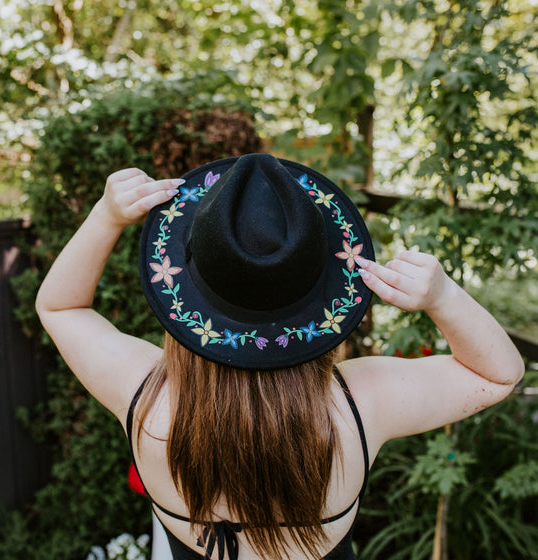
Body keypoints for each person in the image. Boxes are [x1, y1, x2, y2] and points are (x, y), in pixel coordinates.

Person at [36, 153, 524, 560]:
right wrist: (444, 298)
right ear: (325, 288)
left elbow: (60, 307)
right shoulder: (361, 407)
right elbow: (498, 376)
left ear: (186, 291)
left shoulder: (145, 397)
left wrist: (106, 216)